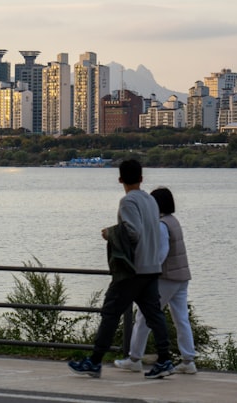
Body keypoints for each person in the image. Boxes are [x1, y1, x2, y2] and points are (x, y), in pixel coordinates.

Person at [68, 159, 175, 379]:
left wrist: (111, 233)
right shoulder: (151, 201)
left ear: (120, 179)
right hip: (152, 267)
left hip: (133, 270)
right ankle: (165, 359)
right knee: (155, 315)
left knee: (110, 312)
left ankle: (95, 361)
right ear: (142, 178)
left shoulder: (128, 201)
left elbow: (133, 232)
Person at [114, 186, 197, 374]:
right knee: (181, 318)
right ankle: (188, 359)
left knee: (144, 316)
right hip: (182, 277)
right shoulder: (173, 221)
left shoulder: (161, 225)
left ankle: (135, 357)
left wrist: (146, 270)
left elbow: (160, 254)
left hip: (166, 277)